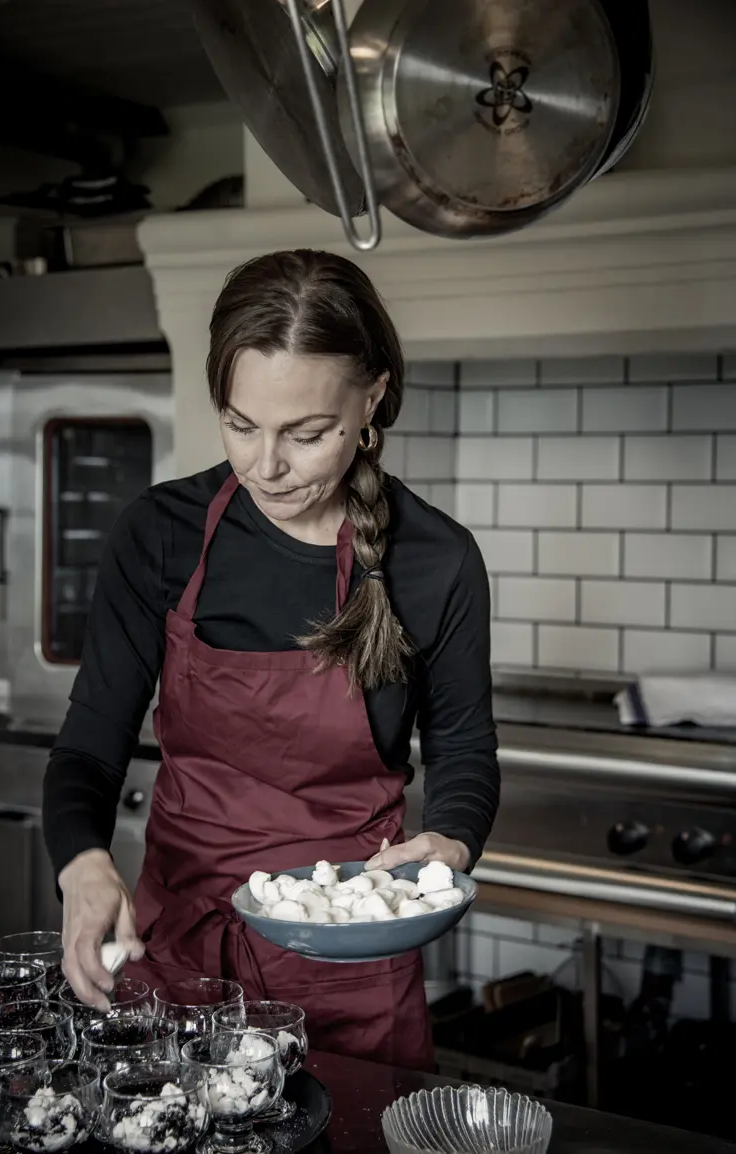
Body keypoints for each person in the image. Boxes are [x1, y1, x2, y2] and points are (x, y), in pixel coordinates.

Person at [43, 248, 499, 1070]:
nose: (266, 466)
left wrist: (451, 844)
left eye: (308, 433)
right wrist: (82, 864)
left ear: (372, 402)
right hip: (176, 945)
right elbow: (88, 744)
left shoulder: (437, 561)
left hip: (350, 965)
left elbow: (465, 750)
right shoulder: (162, 534)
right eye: (240, 424)